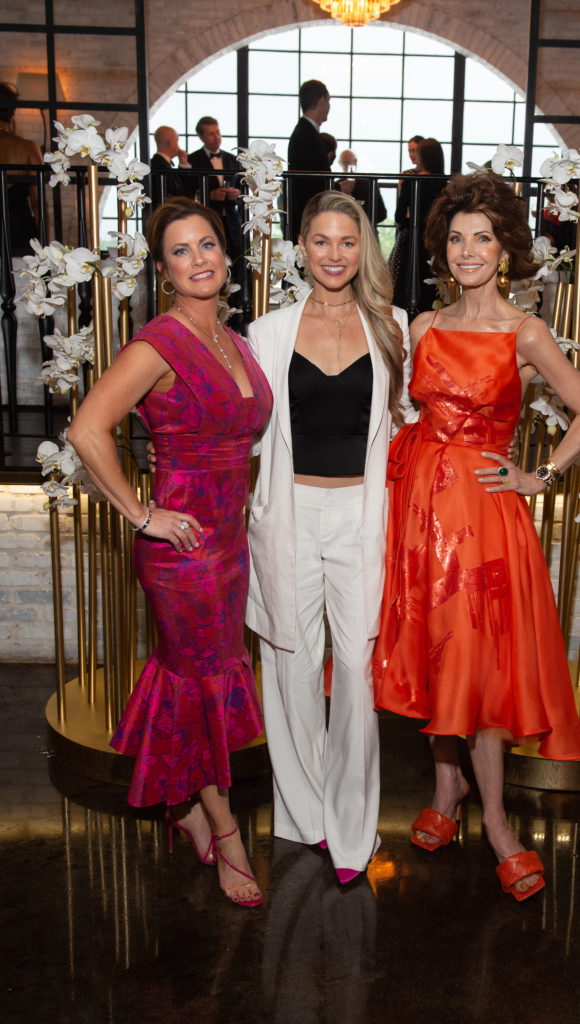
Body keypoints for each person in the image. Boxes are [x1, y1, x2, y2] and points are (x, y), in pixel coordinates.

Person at [373, 171, 580, 901]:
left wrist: (539, 475)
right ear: (441, 250)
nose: (467, 250)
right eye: (455, 238)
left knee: (477, 665)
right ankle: (446, 793)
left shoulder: (524, 330)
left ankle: (500, 825)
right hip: (418, 510)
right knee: (435, 658)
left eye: (482, 238)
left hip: (482, 518)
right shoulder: (420, 326)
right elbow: (396, 413)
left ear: (504, 248)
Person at [67, 197, 272, 908]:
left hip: (230, 541)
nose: (200, 259)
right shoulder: (158, 342)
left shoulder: (233, 340)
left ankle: (181, 804)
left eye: (208, 244)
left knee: (197, 678)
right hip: (183, 552)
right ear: (162, 270)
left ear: (226, 253)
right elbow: (87, 429)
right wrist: (141, 512)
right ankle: (226, 835)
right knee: (206, 682)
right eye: (181, 251)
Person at [245, 191, 413, 885]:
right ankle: (302, 812)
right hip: (288, 511)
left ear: (364, 248)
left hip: (361, 517)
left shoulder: (396, 326)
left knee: (352, 668)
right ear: (302, 246)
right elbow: (248, 431)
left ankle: (350, 827)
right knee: (288, 664)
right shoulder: (267, 331)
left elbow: (405, 421)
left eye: (348, 241)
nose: (334, 254)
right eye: (321, 240)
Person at [392, 138, 446, 315]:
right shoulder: (444, 184)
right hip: (437, 242)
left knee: (409, 288)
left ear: (422, 157)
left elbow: (399, 216)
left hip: (414, 241)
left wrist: (411, 221)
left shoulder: (412, 181)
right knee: (434, 290)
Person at [188, 117, 243, 262]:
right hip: (207, 221)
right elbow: (187, 193)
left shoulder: (233, 160)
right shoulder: (192, 160)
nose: (216, 137)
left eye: (218, 132)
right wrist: (210, 195)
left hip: (232, 223)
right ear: (201, 137)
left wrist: (236, 194)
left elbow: (243, 189)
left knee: (237, 262)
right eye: (211, 134)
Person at [0, 81, 42, 256]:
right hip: (19, 231)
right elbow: (38, 202)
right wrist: (44, 245)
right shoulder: (27, 148)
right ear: (13, 111)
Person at [287, 80, 332, 241]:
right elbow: (310, 182)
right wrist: (339, 187)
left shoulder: (306, 132)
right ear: (322, 100)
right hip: (307, 218)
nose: (329, 107)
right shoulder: (305, 135)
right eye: (329, 101)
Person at [389, 135, 424, 291]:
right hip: (406, 229)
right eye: (410, 151)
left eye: (415, 150)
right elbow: (400, 208)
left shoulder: (429, 176)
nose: (412, 154)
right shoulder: (406, 174)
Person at [337, 149, 387, 226]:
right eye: (345, 162)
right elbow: (381, 214)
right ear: (356, 161)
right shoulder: (370, 183)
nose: (348, 166)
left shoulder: (334, 186)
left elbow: (381, 214)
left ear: (339, 163)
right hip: (366, 230)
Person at [149, 125, 194, 205]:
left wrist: (183, 164)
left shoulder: (158, 163)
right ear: (170, 142)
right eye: (177, 141)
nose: (178, 145)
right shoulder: (159, 166)